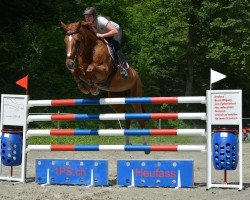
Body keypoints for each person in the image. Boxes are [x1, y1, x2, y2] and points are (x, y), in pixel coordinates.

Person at [83, 7, 128, 78]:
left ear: (94, 16)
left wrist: (101, 35)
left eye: (89, 16)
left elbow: (114, 31)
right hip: (103, 34)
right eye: (86, 17)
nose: (87, 18)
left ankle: (123, 68)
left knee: (113, 44)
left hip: (115, 32)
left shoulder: (101, 20)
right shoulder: (88, 24)